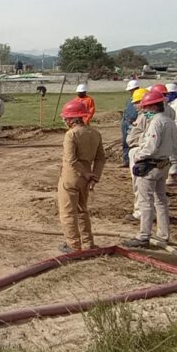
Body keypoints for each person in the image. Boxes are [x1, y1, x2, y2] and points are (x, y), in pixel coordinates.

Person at [124, 90, 177, 248]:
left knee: (145, 201)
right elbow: (174, 146)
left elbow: (150, 147)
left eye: (146, 108)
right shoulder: (169, 122)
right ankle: (163, 234)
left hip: (150, 165)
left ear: (153, 107)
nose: (144, 111)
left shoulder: (156, 123)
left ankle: (143, 236)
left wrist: (138, 156)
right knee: (161, 201)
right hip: (164, 164)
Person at [56, 99, 106, 253]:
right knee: (82, 210)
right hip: (86, 178)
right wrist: (93, 176)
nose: (65, 120)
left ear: (72, 119)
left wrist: (84, 173)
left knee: (68, 212)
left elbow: (71, 159)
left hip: (71, 177)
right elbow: (100, 158)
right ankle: (88, 243)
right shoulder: (95, 133)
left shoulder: (71, 135)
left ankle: (73, 245)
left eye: (66, 118)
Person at [125, 88, 149, 223]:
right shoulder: (144, 116)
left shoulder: (148, 117)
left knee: (139, 184)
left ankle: (140, 212)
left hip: (140, 152)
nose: (134, 105)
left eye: (137, 102)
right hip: (139, 150)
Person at [120, 80, 141, 167]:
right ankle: (126, 160)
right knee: (125, 142)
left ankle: (134, 161)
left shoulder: (140, 99)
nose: (130, 92)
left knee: (133, 142)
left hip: (134, 124)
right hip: (126, 123)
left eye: (131, 90)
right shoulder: (130, 100)